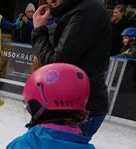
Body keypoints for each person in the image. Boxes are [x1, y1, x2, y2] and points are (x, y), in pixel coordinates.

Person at [31, 0, 111, 139]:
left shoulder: (88, 11)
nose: (50, 0)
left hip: (79, 111)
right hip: (63, 106)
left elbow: (57, 63)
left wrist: (39, 30)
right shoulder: (73, 12)